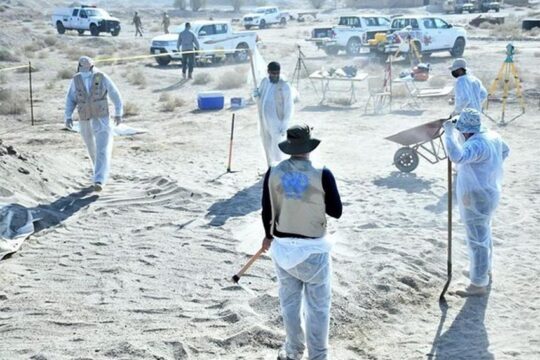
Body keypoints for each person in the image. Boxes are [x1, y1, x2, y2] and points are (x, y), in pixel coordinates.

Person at [261, 124, 342, 360]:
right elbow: (336, 211)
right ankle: (318, 355)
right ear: (309, 146)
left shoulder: (273, 171)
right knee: (317, 307)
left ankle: (294, 351)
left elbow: (266, 210)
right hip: (314, 250)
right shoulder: (322, 172)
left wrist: (267, 236)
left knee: (289, 304)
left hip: (283, 248)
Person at [443, 108, 509, 297]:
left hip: (477, 195)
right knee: (484, 234)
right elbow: (506, 150)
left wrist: (448, 134)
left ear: (466, 130)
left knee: (477, 240)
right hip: (488, 191)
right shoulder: (492, 136)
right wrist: (488, 168)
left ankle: (478, 283)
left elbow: (457, 156)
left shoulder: (478, 144)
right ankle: (483, 270)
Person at [64, 56, 123, 192]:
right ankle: (99, 172)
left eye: (87, 66)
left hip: (101, 118)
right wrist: (67, 116)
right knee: (91, 148)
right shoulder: (76, 80)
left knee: (102, 149)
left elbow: (114, 94)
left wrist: (119, 112)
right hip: (84, 119)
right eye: (82, 66)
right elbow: (70, 99)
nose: (85, 69)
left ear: (91, 66)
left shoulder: (101, 77)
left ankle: (99, 180)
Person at [255, 61, 294, 167]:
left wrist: (285, 124)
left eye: (277, 73)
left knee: (277, 146)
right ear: (268, 72)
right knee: (266, 144)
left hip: (277, 121)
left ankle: (279, 168)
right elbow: (259, 97)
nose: (276, 75)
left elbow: (289, 106)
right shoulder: (265, 82)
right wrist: (255, 94)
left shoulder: (284, 85)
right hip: (264, 120)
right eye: (273, 73)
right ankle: (270, 167)